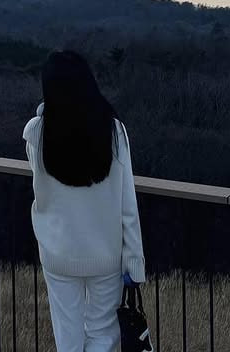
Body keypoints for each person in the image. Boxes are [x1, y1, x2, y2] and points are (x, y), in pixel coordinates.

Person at [23, 50, 145, 352]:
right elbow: (127, 205)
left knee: (68, 337)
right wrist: (134, 261)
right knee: (102, 337)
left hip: (59, 251)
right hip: (105, 252)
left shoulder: (36, 133)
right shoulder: (114, 132)